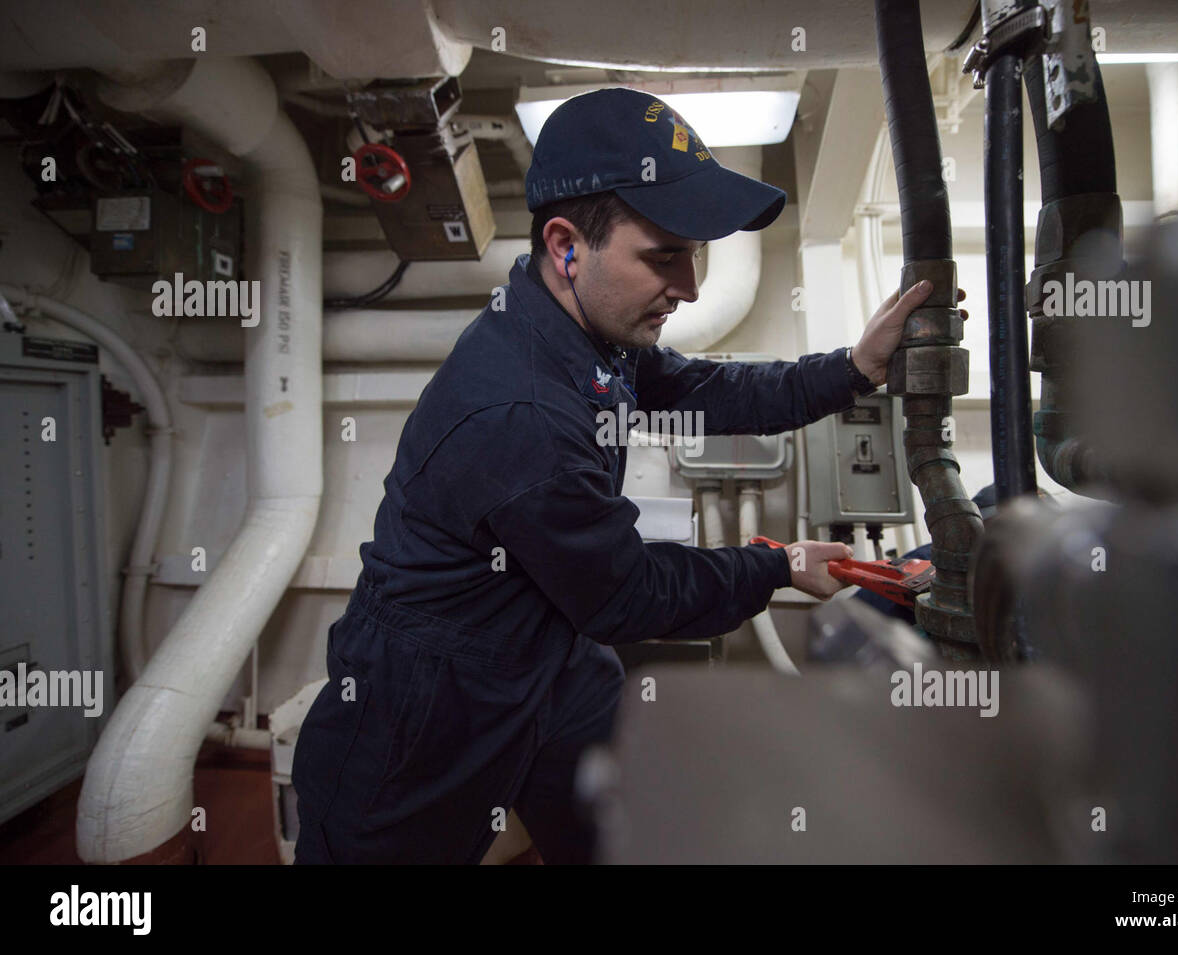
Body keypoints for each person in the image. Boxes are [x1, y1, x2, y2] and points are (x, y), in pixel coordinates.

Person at [291, 87, 946, 864]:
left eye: (694, 254)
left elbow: (704, 390)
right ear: (567, 246)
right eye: (665, 254)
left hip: (546, 659)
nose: (692, 286)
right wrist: (776, 565)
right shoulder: (521, 409)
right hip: (428, 704)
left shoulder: (585, 334)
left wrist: (853, 370)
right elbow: (627, 591)